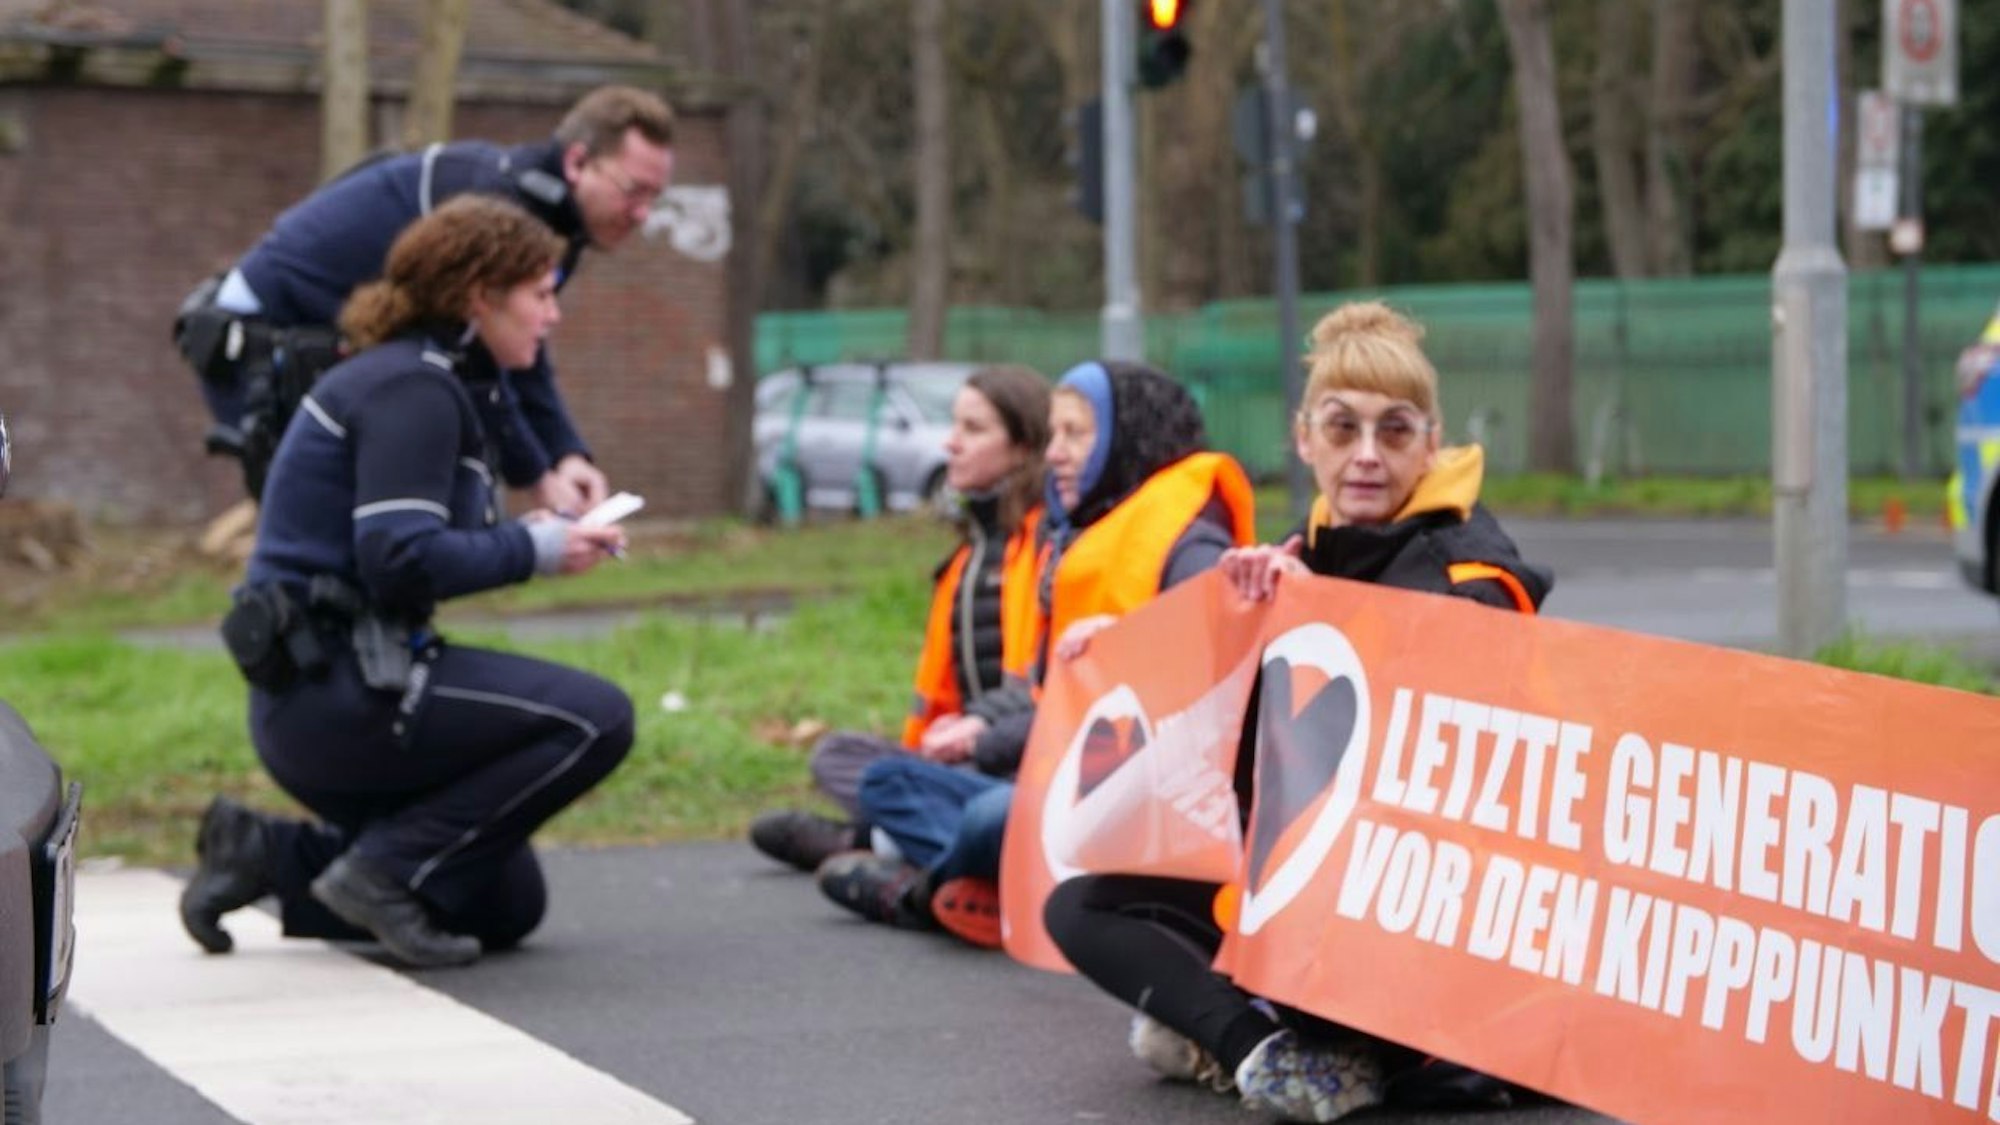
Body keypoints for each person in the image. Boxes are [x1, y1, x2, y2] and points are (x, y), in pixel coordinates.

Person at [1042, 301, 1553, 1123]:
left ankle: (1334, 1040)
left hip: (1420, 902)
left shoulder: (1474, 574)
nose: (1365, 456)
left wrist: (1319, 616)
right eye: (1341, 427)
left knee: (1296, 967)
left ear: (1432, 442)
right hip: (1307, 884)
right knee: (1083, 904)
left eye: (1394, 432)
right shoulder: (1304, 543)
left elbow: (1451, 779)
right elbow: (1221, 725)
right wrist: (1127, 647)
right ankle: (1264, 1053)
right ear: (1304, 436)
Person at [178, 196, 636, 970]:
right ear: (480, 295)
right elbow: (400, 558)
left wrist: (531, 537)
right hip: (344, 696)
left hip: (329, 690)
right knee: (596, 718)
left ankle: (265, 853)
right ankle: (382, 870)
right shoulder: (411, 390)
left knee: (503, 900)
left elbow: (402, 550)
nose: (554, 314)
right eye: (541, 293)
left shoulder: (420, 377)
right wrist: (539, 551)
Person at [815, 360, 1256, 947]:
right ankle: (940, 866)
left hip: (1131, 791)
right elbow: (1047, 694)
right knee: (883, 778)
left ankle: (922, 889)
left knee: (986, 818)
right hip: (1046, 762)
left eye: (1076, 435)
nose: (1058, 453)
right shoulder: (1076, 536)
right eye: (1056, 435)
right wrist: (975, 732)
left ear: (1127, 439)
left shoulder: (1189, 541)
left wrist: (984, 738)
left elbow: (1208, 681)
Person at [171, 85, 675, 510]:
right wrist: (538, 479)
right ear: (577, 161)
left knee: (398, 534)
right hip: (263, 346)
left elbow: (522, 350)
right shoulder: (498, 207)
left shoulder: (545, 213)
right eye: (634, 190)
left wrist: (566, 454)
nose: (642, 214)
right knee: (364, 542)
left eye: (655, 197)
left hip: (320, 343)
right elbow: (480, 358)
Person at [747, 367, 1052, 872]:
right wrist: (933, 747)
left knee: (903, 786)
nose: (952, 443)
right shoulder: (965, 556)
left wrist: (981, 729)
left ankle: (875, 842)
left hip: (1020, 754)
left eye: (974, 430)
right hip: (964, 756)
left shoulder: (1045, 544)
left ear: (1023, 447)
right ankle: (896, 835)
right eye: (954, 427)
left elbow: (1042, 683)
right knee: (840, 756)